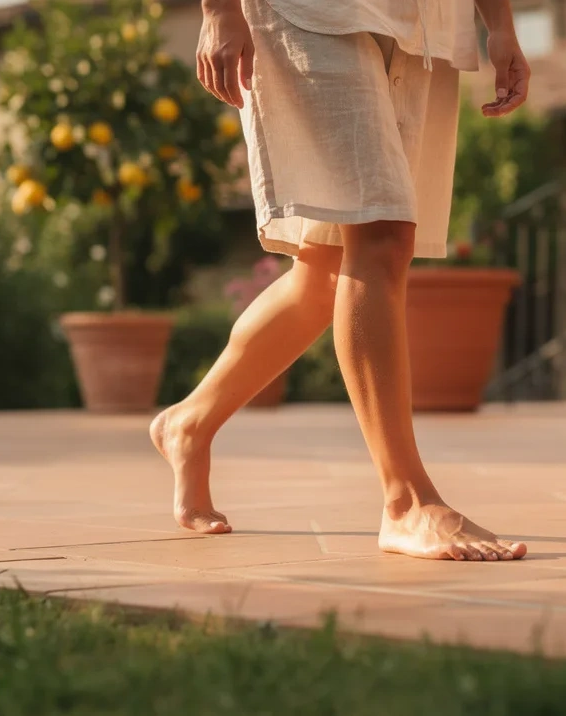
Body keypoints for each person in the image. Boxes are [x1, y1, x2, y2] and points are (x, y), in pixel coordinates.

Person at [151, 0, 530, 561]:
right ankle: (406, 502)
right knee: (381, 235)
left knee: (326, 272)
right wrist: (218, 9)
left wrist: (500, 24)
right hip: (313, 14)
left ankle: (189, 422)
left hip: (424, 24)